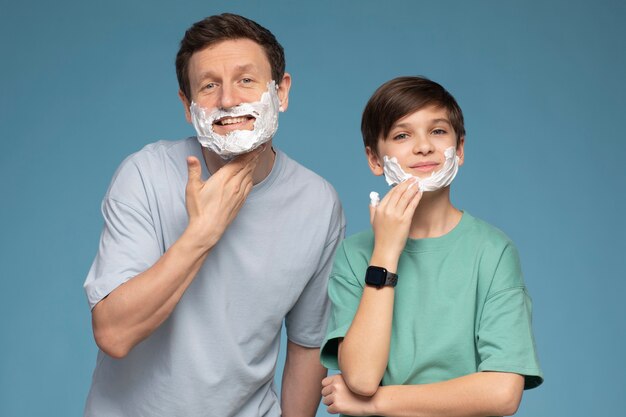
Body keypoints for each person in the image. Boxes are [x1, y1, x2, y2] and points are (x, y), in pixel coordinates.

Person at [83, 13, 345, 417]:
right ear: (187, 106)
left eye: (246, 80)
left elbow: (308, 345)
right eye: (209, 86)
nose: (228, 100)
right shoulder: (144, 175)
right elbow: (113, 333)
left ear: (282, 92)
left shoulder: (318, 203)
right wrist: (201, 234)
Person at [320, 76, 542, 416]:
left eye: (437, 131)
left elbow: (503, 392)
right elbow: (362, 377)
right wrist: (385, 254)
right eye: (402, 135)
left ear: (460, 149)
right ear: (375, 159)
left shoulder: (493, 252)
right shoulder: (354, 255)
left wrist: (377, 403)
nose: (423, 146)